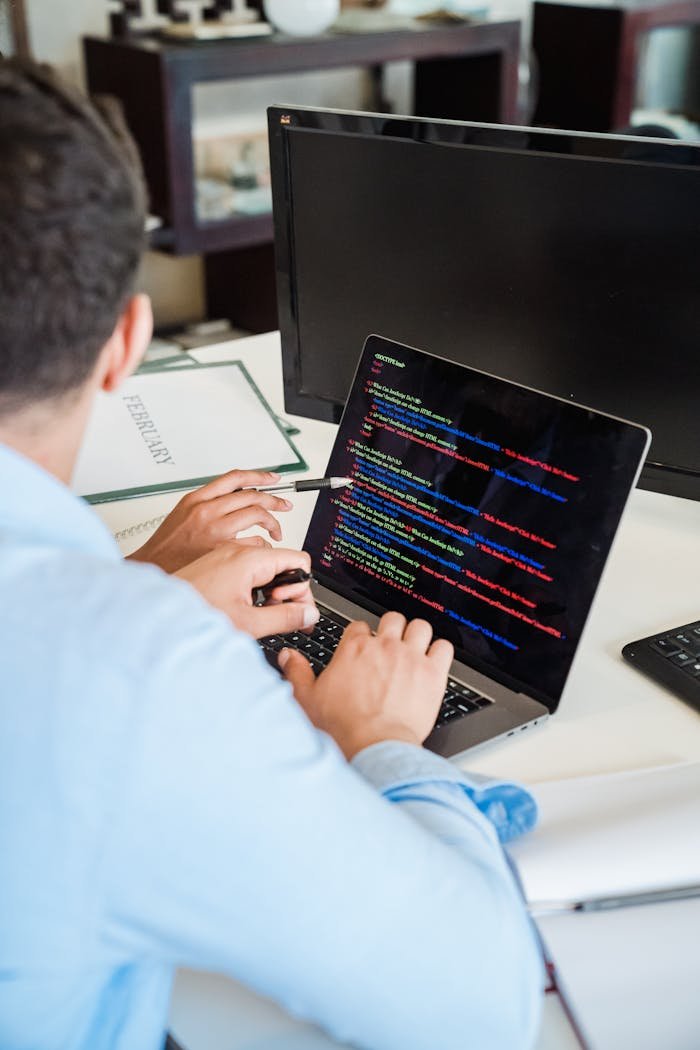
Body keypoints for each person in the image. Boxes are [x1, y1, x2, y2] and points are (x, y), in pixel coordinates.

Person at [0, 59, 543, 1050]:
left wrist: (131, 586)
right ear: (127, 340)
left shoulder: (113, 642)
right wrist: (375, 741)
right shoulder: (132, 678)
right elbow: (478, 1010)